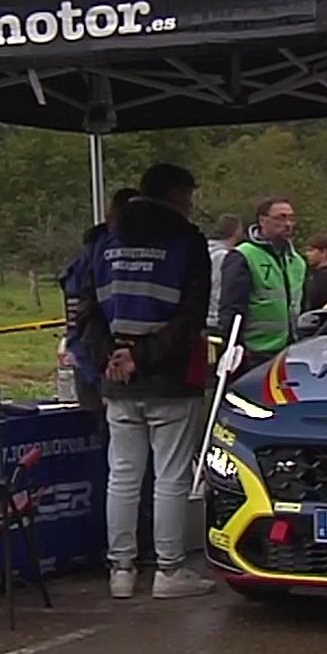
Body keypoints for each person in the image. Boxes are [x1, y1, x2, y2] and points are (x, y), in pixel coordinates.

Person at [74, 164, 215, 601]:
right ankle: (169, 570)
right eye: (188, 194)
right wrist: (141, 356)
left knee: (122, 475)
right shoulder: (187, 242)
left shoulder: (104, 241)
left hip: (117, 380)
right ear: (175, 194)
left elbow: (87, 312)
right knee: (170, 477)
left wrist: (109, 358)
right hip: (169, 379)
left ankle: (121, 570)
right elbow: (190, 318)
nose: (191, 203)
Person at [59, 187, 139, 427]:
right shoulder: (91, 260)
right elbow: (80, 323)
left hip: (119, 366)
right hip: (96, 367)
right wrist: (99, 375)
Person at [218, 197, 307, 369]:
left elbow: (302, 306)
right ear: (262, 220)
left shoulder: (297, 261)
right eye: (280, 218)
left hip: (288, 351)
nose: (288, 224)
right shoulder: (244, 255)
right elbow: (231, 308)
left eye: (291, 218)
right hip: (254, 353)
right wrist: (234, 347)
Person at [207, 215, 244, 335]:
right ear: (236, 231)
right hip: (214, 319)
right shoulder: (224, 256)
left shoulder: (205, 250)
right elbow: (220, 287)